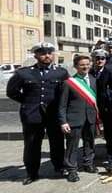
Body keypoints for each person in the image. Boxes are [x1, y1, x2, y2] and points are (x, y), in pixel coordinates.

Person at [7, 42, 69, 185]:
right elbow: (12, 92)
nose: (47, 56)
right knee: (32, 144)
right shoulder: (24, 73)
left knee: (57, 142)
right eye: (43, 53)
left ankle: (59, 166)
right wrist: (27, 102)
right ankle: (32, 172)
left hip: (54, 115)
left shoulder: (61, 72)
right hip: (32, 114)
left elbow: (65, 93)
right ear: (36, 55)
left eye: (49, 53)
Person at [58, 55, 98, 182]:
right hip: (74, 119)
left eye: (87, 64)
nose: (85, 67)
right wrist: (63, 121)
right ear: (76, 67)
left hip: (90, 118)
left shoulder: (93, 80)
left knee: (90, 142)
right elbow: (62, 105)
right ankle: (71, 170)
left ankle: (88, 164)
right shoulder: (68, 83)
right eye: (82, 65)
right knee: (72, 146)